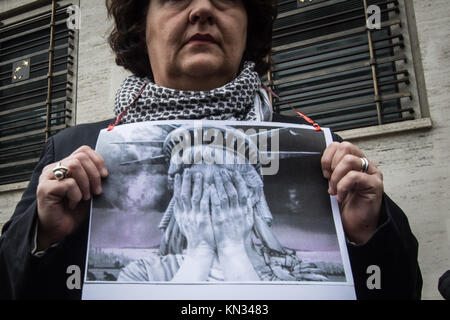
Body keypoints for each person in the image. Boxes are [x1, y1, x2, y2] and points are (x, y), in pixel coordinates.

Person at [0, 0, 421, 299]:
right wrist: (44, 233)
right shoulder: (75, 150)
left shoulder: (324, 155)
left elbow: (404, 287)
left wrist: (369, 231)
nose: (201, 9)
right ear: (141, 28)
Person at [117, 126, 329, 282]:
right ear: (179, 201)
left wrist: (233, 249)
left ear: (252, 197)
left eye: (227, 188)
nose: (214, 203)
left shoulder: (298, 274)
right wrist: (199, 254)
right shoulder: (142, 274)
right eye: (195, 188)